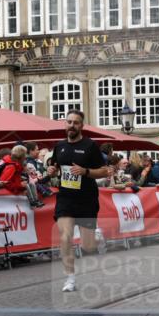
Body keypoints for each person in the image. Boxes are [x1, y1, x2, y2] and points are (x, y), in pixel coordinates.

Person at [50, 110, 110, 292]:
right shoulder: (59, 146)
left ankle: (97, 237)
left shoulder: (90, 146)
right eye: (69, 122)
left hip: (86, 199)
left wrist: (85, 172)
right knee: (65, 237)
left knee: (88, 246)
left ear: (82, 126)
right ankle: (70, 279)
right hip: (66, 198)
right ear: (65, 124)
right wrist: (52, 171)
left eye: (76, 122)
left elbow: (104, 170)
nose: (72, 125)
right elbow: (54, 166)